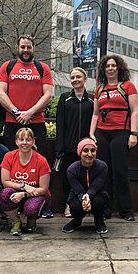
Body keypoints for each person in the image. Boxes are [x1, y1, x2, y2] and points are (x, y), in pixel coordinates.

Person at [89, 54, 138, 221]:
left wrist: (133, 133)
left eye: (113, 66)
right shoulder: (99, 89)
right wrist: (91, 134)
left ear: (119, 68)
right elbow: (95, 114)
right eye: (107, 66)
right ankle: (105, 209)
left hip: (121, 132)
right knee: (104, 171)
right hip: (102, 133)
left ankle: (126, 211)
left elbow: (135, 111)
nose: (110, 68)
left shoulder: (127, 86)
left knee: (120, 171)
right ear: (103, 69)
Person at [0, 34, 53, 152]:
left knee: (39, 158)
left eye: (29, 47)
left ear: (33, 48)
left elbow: (48, 95)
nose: (25, 50)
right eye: (23, 47)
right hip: (12, 121)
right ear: (18, 48)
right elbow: (0, 93)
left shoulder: (43, 68)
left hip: (36, 121)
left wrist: (29, 113)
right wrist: (17, 113)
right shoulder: (7, 66)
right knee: (11, 158)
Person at [55, 67, 94, 217]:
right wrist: (60, 148)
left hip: (87, 147)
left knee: (87, 177)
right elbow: (60, 124)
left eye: (78, 77)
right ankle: (69, 205)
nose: (75, 80)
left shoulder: (91, 100)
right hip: (69, 147)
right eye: (72, 78)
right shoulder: (64, 98)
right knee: (69, 178)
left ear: (85, 79)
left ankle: (86, 204)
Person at [0, 128, 51, 236]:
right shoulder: (9, 156)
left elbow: (44, 189)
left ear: (33, 142)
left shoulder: (41, 160)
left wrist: (23, 194)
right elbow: (5, 182)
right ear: (16, 142)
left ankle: (31, 221)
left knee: (32, 209)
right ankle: (16, 222)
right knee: (4, 194)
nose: (24, 143)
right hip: (15, 193)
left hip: (36, 195)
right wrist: (24, 186)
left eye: (28, 139)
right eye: (21, 139)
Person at [63, 138, 109, 234]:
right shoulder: (72, 170)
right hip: (78, 195)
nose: (89, 154)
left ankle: (99, 220)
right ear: (80, 152)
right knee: (74, 205)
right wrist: (84, 198)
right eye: (85, 151)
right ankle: (77, 220)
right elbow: (78, 189)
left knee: (100, 200)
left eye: (93, 151)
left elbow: (96, 185)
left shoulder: (102, 166)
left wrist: (88, 195)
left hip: (97, 194)